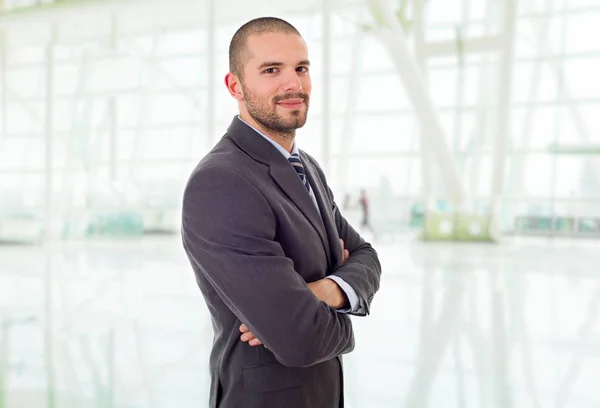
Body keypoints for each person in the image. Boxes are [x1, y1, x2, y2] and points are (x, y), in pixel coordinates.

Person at [181, 16, 381, 408]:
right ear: (235, 85)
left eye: (301, 69)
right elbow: (300, 338)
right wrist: (339, 312)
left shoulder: (305, 166)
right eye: (272, 70)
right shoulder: (222, 181)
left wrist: (324, 292)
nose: (293, 84)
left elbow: (366, 257)